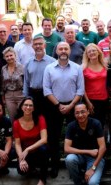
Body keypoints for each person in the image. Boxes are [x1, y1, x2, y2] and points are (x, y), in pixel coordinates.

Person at [43, 42, 84, 177]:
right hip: (55, 107)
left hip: (74, 107)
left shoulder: (77, 68)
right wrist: (59, 105)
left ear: (70, 51)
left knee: (76, 137)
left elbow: (80, 89)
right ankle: (54, 165)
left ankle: (76, 165)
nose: (63, 51)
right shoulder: (49, 68)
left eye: (66, 48)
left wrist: (71, 105)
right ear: (56, 51)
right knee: (53, 138)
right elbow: (47, 89)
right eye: (60, 49)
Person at [64, 102, 106, 185]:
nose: (80, 115)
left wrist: (92, 168)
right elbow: (66, 148)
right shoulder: (71, 126)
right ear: (74, 114)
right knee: (69, 159)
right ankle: (78, 182)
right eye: (77, 113)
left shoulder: (96, 123)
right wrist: (88, 151)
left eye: (83, 112)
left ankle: (89, 172)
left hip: (95, 159)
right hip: (79, 157)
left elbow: (103, 148)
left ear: (88, 112)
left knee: (93, 183)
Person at [14, 97, 48, 185]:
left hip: (38, 151)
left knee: (44, 149)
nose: (28, 107)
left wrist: (28, 149)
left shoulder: (40, 118)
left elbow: (44, 139)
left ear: (34, 108)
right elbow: (17, 144)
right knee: (21, 171)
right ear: (21, 107)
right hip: (25, 154)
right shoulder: (16, 123)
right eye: (25, 105)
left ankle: (42, 179)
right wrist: (21, 159)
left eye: (30, 105)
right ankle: (32, 168)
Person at [23, 36, 55, 116]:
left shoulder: (52, 62)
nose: (38, 46)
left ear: (45, 45)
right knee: (34, 118)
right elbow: (26, 81)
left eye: (40, 44)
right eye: (35, 44)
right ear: (32, 46)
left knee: (48, 118)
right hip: (33, 94)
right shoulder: (28, 62)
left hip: (48, 96)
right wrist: (26, 97)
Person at [82, 44, 108, 127]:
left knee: (102, 124)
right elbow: (81, 88)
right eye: (89, 51)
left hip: (104, 100)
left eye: (94, 50)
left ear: (98, 52)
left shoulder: (105, 65)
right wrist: (88, 103)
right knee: (91, 125)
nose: (92, 52)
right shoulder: (83, 68)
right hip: (90, 101)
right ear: (87, 55)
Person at [1, 47, 24, 122]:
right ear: (4, 58)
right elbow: (2, 84)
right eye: (7, 56)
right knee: (12, 118)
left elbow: (26, 82)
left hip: (21, 94)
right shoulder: (3, 69)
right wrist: (3, 97)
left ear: (15, 55)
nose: (9, 57)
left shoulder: (22, 67)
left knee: (22, 116)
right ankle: (14, 133)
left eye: (11, 55)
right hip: (9, 96)